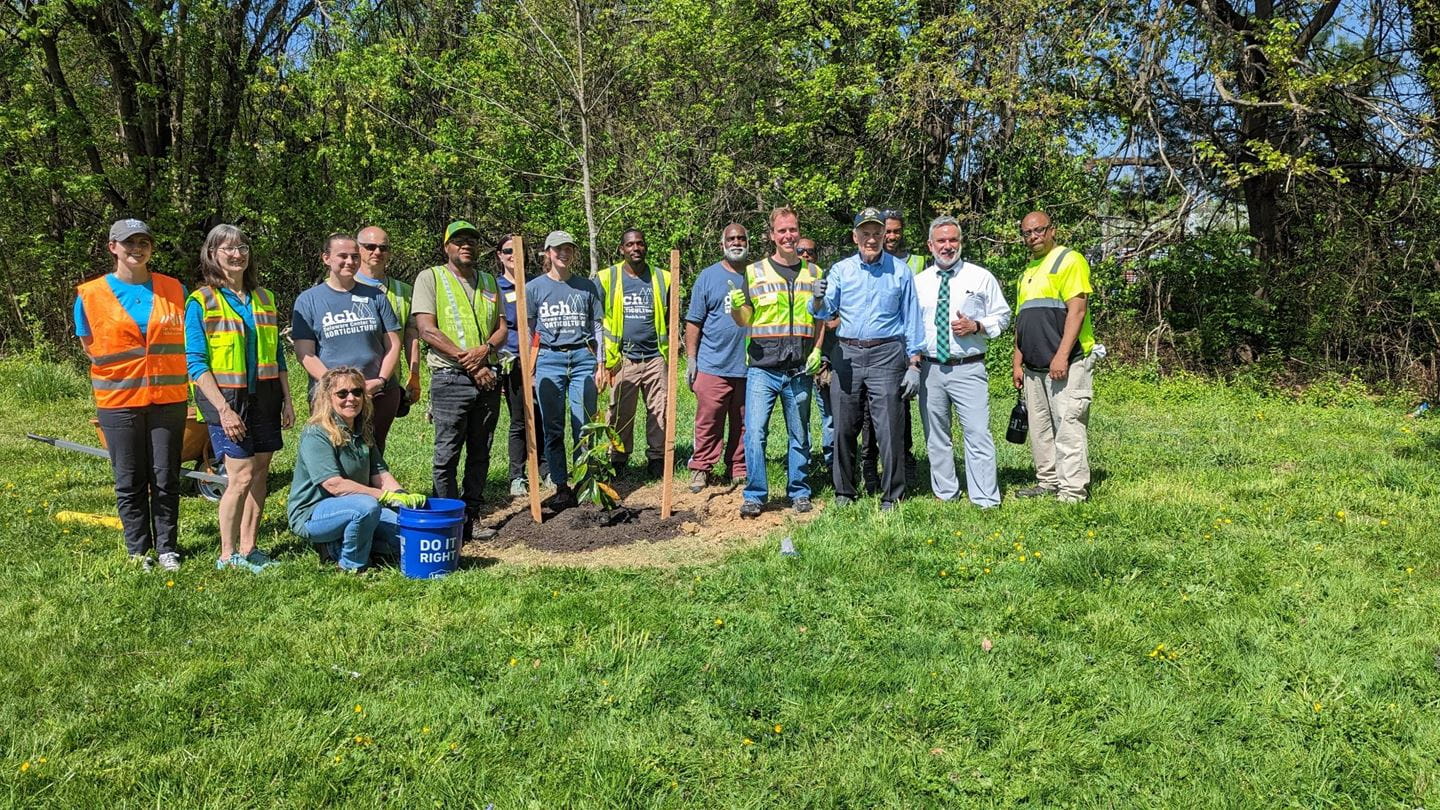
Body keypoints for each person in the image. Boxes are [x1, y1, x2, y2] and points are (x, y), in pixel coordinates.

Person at [74, 218, 189, 571]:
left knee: (166, 476)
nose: (136, 249)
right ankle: (139, 550)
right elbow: (89, 346)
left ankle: (167, 547)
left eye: (143, 242)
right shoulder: (90, 295)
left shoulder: (174, 289)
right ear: (113, 247)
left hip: (168, 398)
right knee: (129, 478)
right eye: (128, 243)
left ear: (151, 248)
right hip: (119, 401)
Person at [186, 223, 295, 572]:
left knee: (260, 473)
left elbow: (276, 354)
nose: (237, 254)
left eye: (242, 247)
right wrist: (223, 409)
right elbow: (195, 362)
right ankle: (226, 554)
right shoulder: (201, 301)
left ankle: (250, 548)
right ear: (212, 255)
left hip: (265, 395)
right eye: (228, 249)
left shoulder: (264, 298)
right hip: (226, 399)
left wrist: (288, 400)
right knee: (241, 476)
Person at [814, 207, 924, 511]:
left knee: (889, 427)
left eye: (877, 233)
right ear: (855, 236)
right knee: (844, 425)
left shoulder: (900, 271)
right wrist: (817, 297)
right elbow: (825, 312)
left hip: (887, 354)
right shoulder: (841, 270)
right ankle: (844, 492)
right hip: (847, 354)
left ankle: (893, 494)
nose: (872, 239)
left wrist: (914, 363)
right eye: (866, 233)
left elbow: (912, 319)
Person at [412, 220, 508, 536]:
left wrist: (486, 349)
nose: (466, 245)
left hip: (488, 380)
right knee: (447, 454)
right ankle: (448, 520)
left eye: (471, 240)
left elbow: (503, 328)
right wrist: (471, 363)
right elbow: (427, 329)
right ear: (446, 247)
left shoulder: (490, 283)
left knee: (481, 452)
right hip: (450, 378)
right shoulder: (431, 278)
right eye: (458, 240)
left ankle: (472, 518)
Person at [729, 207, 823, 517]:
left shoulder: (814, 273)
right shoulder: (754, 272)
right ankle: (755, 494)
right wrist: (736, 307)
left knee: (800, 433)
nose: (788, 236)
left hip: (799, 368)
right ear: (772, 235)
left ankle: (799, 492)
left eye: (792, 230)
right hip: (762, 368)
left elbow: (820, 318)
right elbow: (744, 320)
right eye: (781, 231)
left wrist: (817, 350)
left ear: (798, 232)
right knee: (755, 433)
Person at [287, 367, 427, 573]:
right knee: (366, 507)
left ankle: (347, 542)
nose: (351, 398)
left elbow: (380, 474)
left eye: (357, 392)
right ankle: (352, 565)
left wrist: (403, 497)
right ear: (328, 398)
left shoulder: (362, 429)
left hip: (357, 506)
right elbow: (334, 485)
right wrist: (385, 496)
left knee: (409, 537)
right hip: (312, 513)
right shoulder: (316, 433)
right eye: (342, 393)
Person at [915, 216, 1011, 507]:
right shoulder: (918, 283)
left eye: (953, 240)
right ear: (930, 245)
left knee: (978, 433)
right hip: (929, 369)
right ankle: (946, 493)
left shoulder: (980, 277)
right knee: (936, 436)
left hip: (968, 368)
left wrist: (978, 326)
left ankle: (985, 498)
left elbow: (1003, 316)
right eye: (941, 241)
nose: (947, 246)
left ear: (961, 242)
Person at [1012, 211, 1096, 503]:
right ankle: (1047, 481)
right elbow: (1022, 322)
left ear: (1052, 230)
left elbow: (1078, 310)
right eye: (1027, 233)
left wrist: (1060, 356)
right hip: (1034, 368)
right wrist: (1017, 362)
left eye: (1039, 230)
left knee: (1068, 424)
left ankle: (1072, 491)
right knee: (1041, 429)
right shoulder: (1028, 272)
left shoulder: (1069, 260)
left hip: (1066, 363)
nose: (1033, 237)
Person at [292, 233, 403, 452]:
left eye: (354, 257)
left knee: (373, 452)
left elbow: (393, 345)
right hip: (332, 394)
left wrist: (380, 381)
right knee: (335, 451)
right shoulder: (308, 300)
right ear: (326, 258)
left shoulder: (376, 296)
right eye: (342, 256)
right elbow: (305, 352)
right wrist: (338, 386)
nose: (350, 262)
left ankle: (374, 488)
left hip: (377, 392)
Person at [527, 230, 605, 508]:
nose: (564, 253)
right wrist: (530, 370)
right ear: (548, 253)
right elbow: (529, 330)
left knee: (583, 425)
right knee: (553, 427)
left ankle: (586, 482)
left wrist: (601, 364)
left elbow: (598, 326)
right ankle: (561, 486)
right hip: (550, 359)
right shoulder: (534, 288)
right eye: (558, 249)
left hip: (583, 357)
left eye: (568, 249)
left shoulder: (588, 286)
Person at [595, 228, 671, 477]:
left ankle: (658, 458)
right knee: (620, 412)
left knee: (659, 409)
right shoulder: (607, 277)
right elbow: (595, 319)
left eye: (640, 243)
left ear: (645, 246)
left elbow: (672, 315)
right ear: (621, 249)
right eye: (630, 244)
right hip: (623, 358)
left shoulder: (663, 278)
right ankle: (618, 457)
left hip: (655, 356)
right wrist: (603, 359)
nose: (635, 248)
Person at [683, 223, 749, 492]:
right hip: (712, 364)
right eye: (731, 239)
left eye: (741, 238)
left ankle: (738, 468)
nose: (736, 242)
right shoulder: (708, 276)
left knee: (744, 423)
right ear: (722, 244)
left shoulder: (757, 276)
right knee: (708, 420)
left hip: (748, 365)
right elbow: (694, 321)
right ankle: (701, 468)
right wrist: (691, 359)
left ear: (748, 242)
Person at [494, 233, 547, 496]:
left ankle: (546, 469)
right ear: (500, 256)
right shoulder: (495, 288)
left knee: (543, 416)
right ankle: (517, 475)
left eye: (518, 250)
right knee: (519, 419)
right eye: (507, 251)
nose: (513, 255)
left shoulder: (536, 286)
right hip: (512, 363)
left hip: (541, 359)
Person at [355, 225, 422, 413]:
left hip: (388, 382)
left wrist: (414, 375)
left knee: (378, 439)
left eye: (383, 248)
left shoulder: (405, 292)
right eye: (370, 246)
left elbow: (411, 337)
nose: (377, 252)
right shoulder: (342, 286)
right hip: (349, 382)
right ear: (358, 249)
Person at [796, 236, 835, 470]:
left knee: (828, 413)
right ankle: (805, 461)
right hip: (797, 358)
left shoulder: (823, 277)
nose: (806, 255)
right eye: (801, 251)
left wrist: (832, 324)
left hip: (822, 357)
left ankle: (831, 462)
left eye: (810, 251)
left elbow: (840, 312)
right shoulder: (785, 278)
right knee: (800, 414)